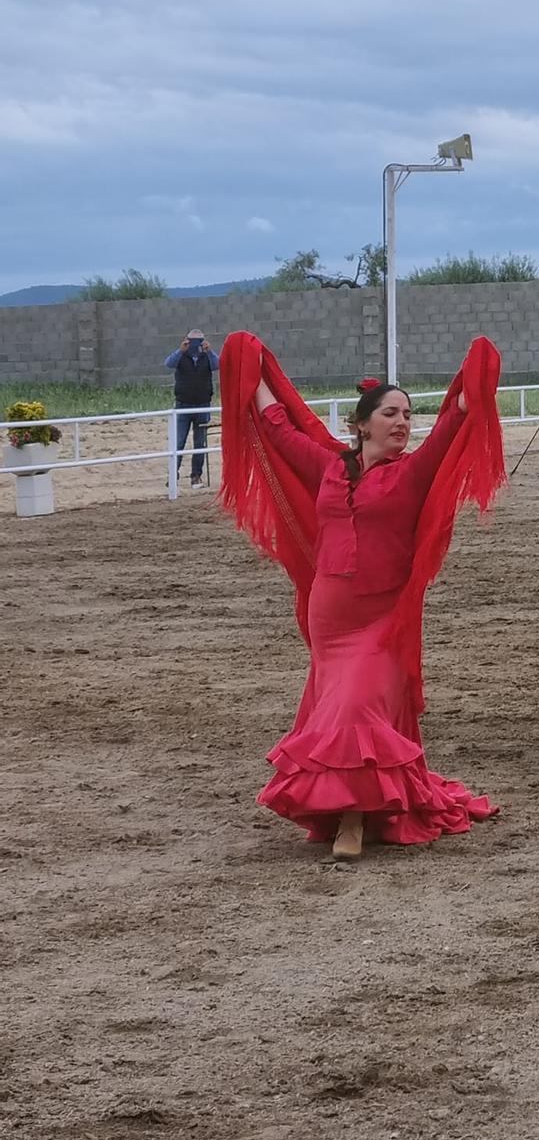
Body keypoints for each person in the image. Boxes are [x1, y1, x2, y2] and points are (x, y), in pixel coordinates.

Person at [218, 331, 506, 859]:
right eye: (391, 413)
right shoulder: (328, 467)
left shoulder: (415, 471)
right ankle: (348, 810)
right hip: (330, 615)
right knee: (337, 713)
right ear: (361, 424)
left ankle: (351, 821)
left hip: (384, 616)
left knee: (356, 710)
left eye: (407, 414)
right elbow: (278, 427)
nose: (402, 422)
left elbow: (456, 420)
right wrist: (251, 368)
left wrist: (479, 366)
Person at [164, 329, 218, 488]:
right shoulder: (180, 356)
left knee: (200, 443)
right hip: (183, 405)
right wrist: (181, 350)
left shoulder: (207, 357)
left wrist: (210, 351)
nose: (195, 345)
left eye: (198, 341)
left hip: (202, 404)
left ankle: (196, 475)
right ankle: (173, 474)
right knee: (179, 442)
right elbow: (169, 363)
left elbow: (217, 365)